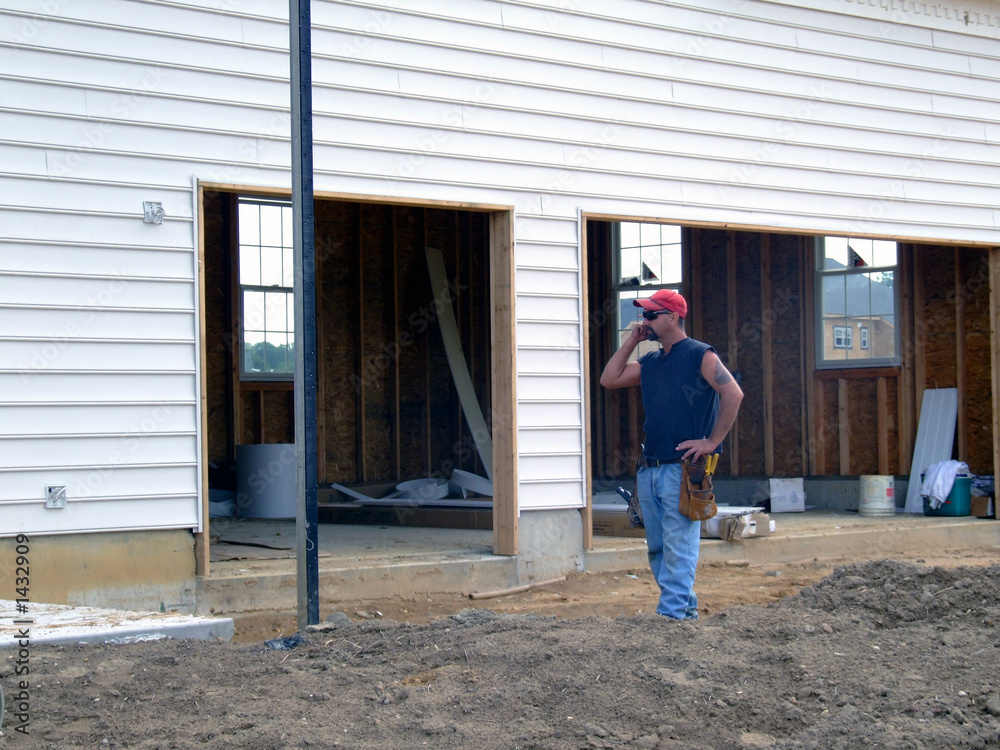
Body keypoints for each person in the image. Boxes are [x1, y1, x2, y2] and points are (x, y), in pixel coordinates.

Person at [600, 288, 743, 620]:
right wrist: (631, 341)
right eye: (643, 315)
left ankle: (671, 616)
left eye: (651, 315)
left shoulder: (699, 354)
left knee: (679, 546)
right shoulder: (650, 362)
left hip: (683, 468)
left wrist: (711, 441)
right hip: (650, 468)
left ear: (673, 318)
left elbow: (733, 393)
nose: (644, 320)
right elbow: (610, 379)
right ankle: (685, 611)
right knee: (659, 548)